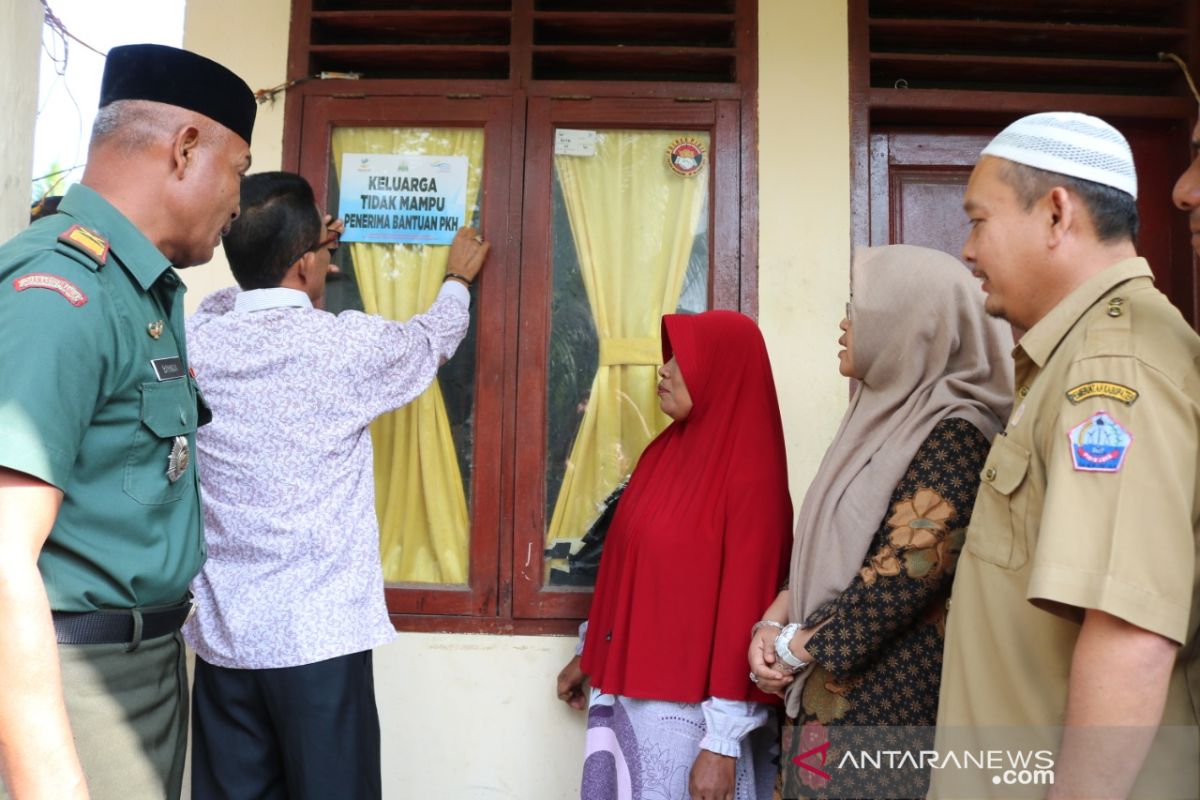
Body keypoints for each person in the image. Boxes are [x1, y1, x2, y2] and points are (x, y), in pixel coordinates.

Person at [181, 171, 489, 798]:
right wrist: (457, 279)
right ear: (304, 264)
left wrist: (287, 251)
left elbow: (221, 301)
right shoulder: (346, 346)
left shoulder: (200, 342)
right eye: (320, 253)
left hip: (226, 642)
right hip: (318, 640)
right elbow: (432, 338)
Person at [0, 44, 254, 799]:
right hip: (73, 684)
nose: (238, 204)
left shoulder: (135, 291)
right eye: (239, 171)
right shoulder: (62, 292)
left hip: (139, 671)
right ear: (186, 149)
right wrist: (49, 781)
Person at [932, 112, 1200, 799]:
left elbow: (1131, 635)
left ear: (1057, 214)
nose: (968, 250)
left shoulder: (1112, 368)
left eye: (979, 221)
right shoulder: (1076, 355)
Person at [747, 245, 1013, 799]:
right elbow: (826, 550)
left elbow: (908, 571)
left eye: (859, 308)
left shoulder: (958, 431)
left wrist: (798, 646)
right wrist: (771, 628)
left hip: (889, 711)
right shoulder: (876, 422)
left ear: (912, 326)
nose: (845, 324)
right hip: (827, 693)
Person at [556, 310, 793, 800]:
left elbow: (747, 611)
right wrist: (591, 652)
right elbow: (628, 568)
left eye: (681, 358)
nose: (663, 370)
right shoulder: (661, 455)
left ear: (721, 371)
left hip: (693, 725)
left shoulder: (753, 479)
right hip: (627, 701)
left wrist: (722, 744)